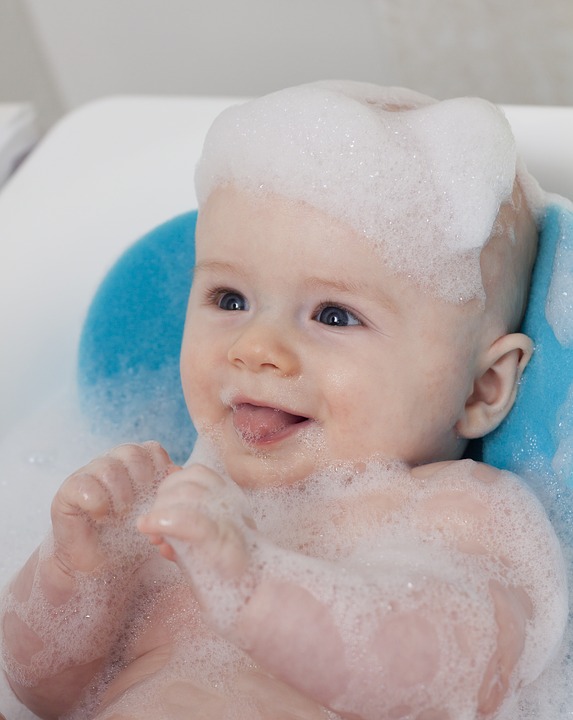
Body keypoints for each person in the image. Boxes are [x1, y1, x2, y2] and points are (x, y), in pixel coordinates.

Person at [1, 82, 568, 720]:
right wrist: (75, 571)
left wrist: (253, 580)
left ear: (482, 386)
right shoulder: (169, 502)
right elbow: (43, 689)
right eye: (230, 300)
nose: (255, 346)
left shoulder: (462, 513)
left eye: (333, 314)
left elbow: (452, 677)